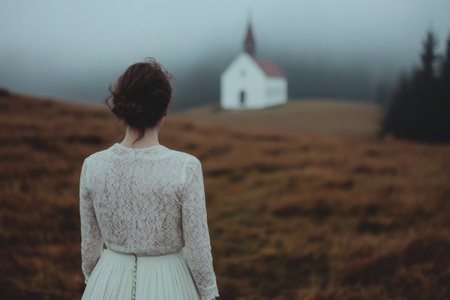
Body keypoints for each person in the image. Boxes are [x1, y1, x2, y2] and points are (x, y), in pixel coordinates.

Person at [79, 59, 219, 300]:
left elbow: (90, 250)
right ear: (165, 108)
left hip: (108, 280)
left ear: (121, 106)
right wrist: (209, 293)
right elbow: (198, 251)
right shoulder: (186, 167)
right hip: (171, 284)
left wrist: (98, 284)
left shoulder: (93, 166)